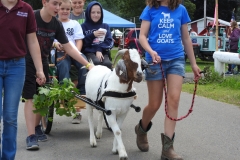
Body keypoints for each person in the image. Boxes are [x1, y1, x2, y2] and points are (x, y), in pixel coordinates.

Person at [22, 0, 93, 150]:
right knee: (30, 97)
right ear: (45, 2)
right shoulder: (32, 17)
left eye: (60, 5)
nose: (58, 8)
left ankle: (36, 127)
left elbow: (71, 48)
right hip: (27, 61)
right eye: (55, 4)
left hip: (44, 61)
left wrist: (87, 64)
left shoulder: (56, 24)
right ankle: (31, 136)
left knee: (44, 96)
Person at [134, 0, 201, 160]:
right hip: (155, 61)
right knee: (155, 104)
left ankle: (167, 148)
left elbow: (186, 38)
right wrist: (151, 51)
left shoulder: (181, 10)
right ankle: (142, 129)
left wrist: (193, 64)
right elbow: (142, 36)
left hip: (176, 59)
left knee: (174, 100)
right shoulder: (149, 9)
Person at [0, 0, 46, 159]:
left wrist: (39, 69)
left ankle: (7, 157)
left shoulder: (26, 9)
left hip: (16, 66)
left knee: (10, 117)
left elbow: (32, 41)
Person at [54, 0, 87, 124]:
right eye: (62, 9)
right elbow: (51, 39)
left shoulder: (74, 23)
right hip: (60, 52)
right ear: (58, 9)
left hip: (73, 51)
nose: (65, 11)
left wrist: (77, 52)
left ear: (70, 10)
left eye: (67, 9)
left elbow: (79, 40)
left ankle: (83, 92)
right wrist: (55, 44)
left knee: (84, 64)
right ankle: (66, 91)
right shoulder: (54, 23)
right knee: (63, 64)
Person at [81, 1, 113, 69]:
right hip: (89, 53)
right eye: (93, 12)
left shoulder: (105, 26)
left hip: (103, 52)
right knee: (96, 63)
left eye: (98, 12)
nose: (96, 15)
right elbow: (82, 44)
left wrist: (99, 49)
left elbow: (110, 42)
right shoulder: (83, 27)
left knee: (107, 64)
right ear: (88, 13)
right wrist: (93, 35)